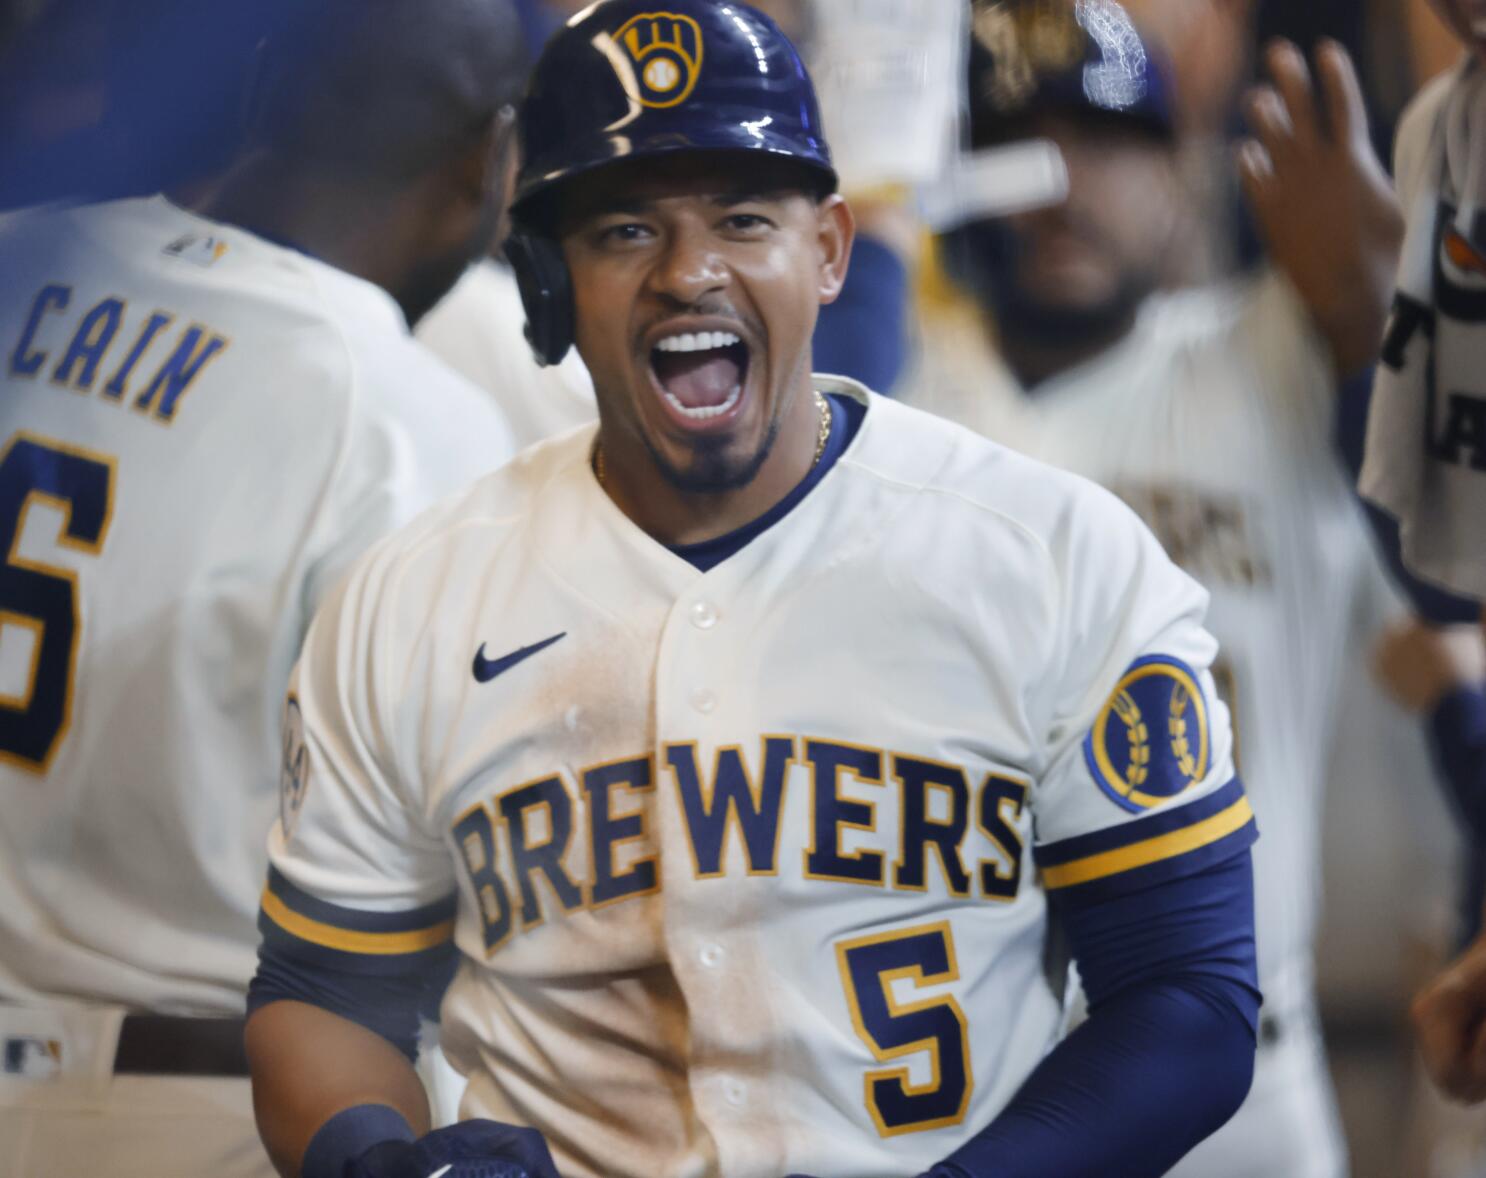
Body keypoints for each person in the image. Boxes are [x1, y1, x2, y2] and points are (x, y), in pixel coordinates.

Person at [245, 4, 1262, 1177]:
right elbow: (322, 990)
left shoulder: (1052, 553)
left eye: (743, 218)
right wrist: (379, 1157)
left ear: (831, 248)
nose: (690, 272)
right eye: (625, 229)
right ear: (546, 276)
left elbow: (1186, 992)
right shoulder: (412, 596)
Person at [0, 1, 524, 1172]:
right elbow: (469, 871)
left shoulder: (18, 253)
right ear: (489, 153)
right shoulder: (398, 411)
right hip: (199, 1112)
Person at [910, 3, 1406, 1176]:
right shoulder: (882, 393)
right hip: (969, 1093)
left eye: (1106, 139)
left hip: (1247, 1088)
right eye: (1019, 138)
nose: (1062, 181)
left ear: (1181, 172)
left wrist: (1379, 284)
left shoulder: (1264, 356)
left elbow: (1407, 396)